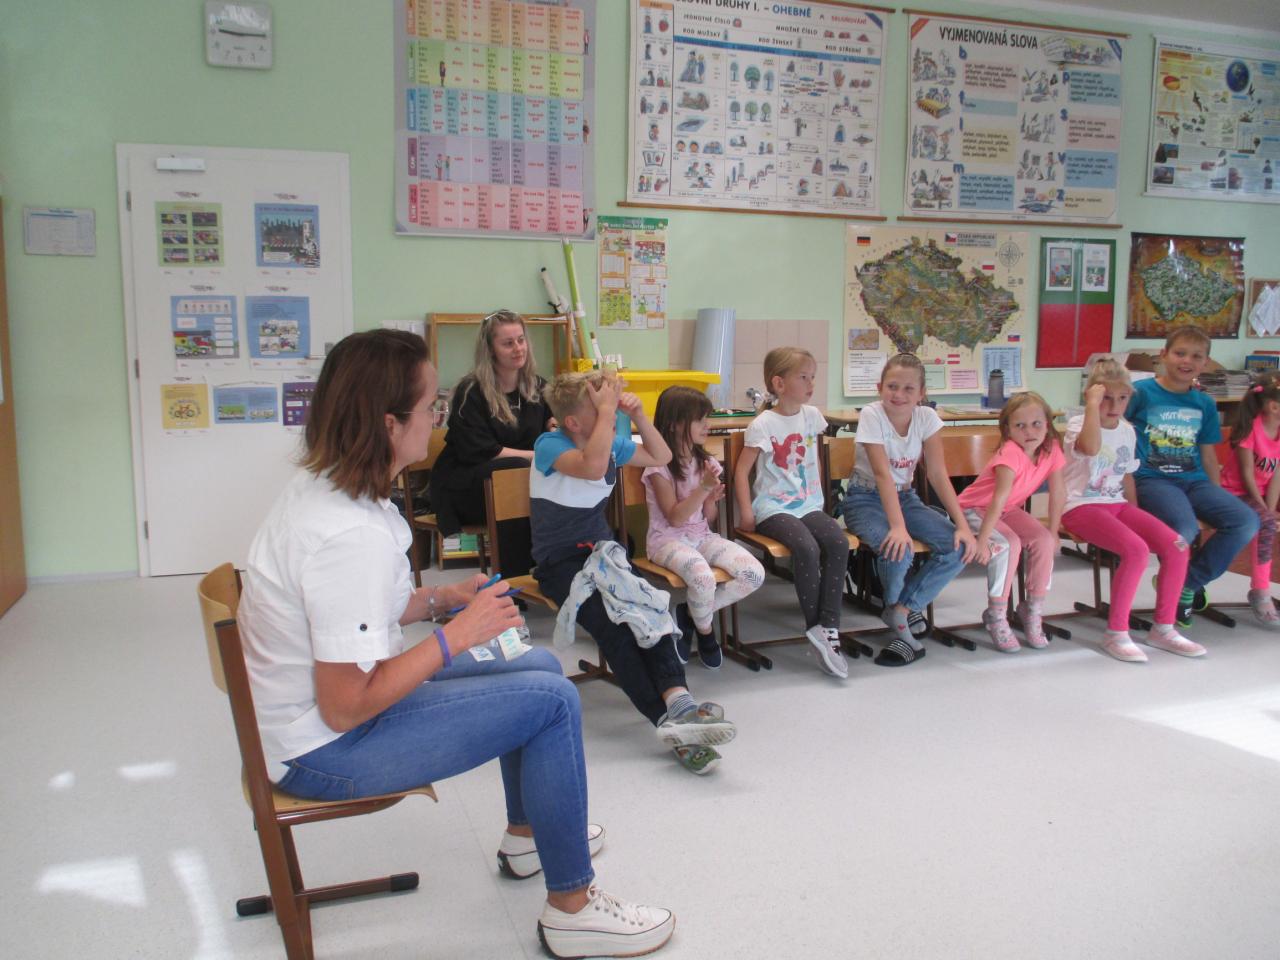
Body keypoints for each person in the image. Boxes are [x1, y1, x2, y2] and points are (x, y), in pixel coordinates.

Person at [236, 330, 673, 958]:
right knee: (552, 704)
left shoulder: (332, 492)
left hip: (311, 718)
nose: (437, 418)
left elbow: (362, 614)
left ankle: (528, 836)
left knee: (539, 663)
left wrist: (444, 599)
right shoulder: (345, 536)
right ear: (389, 424)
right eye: (428, 407)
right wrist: (455, 638)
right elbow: (345, 706)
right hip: (322, 748)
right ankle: (572, 910)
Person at [531, 371, 736, 775]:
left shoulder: (609, 443)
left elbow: (660, 456)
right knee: (617, 631)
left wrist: (640, 416)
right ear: (573, 422)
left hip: (605, 556)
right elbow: (592, 468)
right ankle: (669, 724)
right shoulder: (550, 444)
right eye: (599, 410)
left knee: (651, 612)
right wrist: (609, 412)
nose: (609, 416)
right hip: (560, 564)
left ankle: (679, 703)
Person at [839, 354, 976, 666]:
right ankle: (902, 632)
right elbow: (882, 474)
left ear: (921, 393)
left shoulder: (927, 418)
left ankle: (901, 609)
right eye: (892, 386)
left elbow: (937, 474)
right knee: (898, 548)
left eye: (908, 389)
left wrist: (962, 526)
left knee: (957, 547)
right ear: (879, 387)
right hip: (864, 499)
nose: (898, 394)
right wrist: (898, 527)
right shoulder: (872, 414)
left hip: (906, 498)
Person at [1059, 360, 1197, 661]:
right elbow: (1090, 448)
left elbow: (1127, 476)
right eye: (1106, 398)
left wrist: (1134, 515)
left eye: (1122, 398)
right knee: (1136, 550)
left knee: (1177, 545)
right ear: (1092, 396)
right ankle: (1116, 633)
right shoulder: (1078, 425)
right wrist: (1091, 407)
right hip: (1080, 506)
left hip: (1117, 504)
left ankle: (1163, 628)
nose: (1114, 406)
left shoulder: (1127, 430)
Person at [1126, 325, 1259, 627]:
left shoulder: (1204, 403)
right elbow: (1116, 432)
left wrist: (1216, 494)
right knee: (1184, 528)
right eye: (1180, 353)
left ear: (1205, 363)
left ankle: (1187, 582)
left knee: (1245, 521)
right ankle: (1176, 589)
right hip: (1152, 480)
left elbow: (1208, 454)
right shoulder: (1141, 392)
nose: (1187, 361)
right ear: (1163, 355)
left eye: (1196, 356)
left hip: (1195, 481)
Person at [733, 347, 851, 678]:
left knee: (838, 542)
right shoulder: (763, 424)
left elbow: (816, 460)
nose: (811, 383)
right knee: (806, 547)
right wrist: (746, 512)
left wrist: (819, 499)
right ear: (779, 383)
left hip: (808, 504)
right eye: (803, 377)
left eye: (813, 377)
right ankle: (816, 627)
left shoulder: (813, 416)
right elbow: (741, 472)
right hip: (773, 508)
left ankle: (829, 626)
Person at [644, 386, 765, 668]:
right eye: (699, 420)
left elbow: (707, 517)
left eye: (706, 418)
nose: (706, 425)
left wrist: (710, 499)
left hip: (701, 536)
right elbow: (675, 518)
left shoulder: (706, 462)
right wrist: (704, 489)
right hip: (665, 542)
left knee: (753, 574)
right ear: (674, 424)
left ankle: (689, 613)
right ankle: (707, 632)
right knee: (703, 579)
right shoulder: (658, 466)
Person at [956, 392, 1065, 652]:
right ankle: (996, 614)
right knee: (1008, 544)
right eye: (1020, 426)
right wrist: (982, 540)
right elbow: (998, 498)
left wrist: (1054, 531)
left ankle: (1032, 609)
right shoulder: (1010, 454)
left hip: (1007, 509)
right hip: (975, 509)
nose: (1029, 432)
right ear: (1008, 430)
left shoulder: (1051, 448)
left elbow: (1059, 491)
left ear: (1047, 424)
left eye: (1036, 424)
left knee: (1043, 541)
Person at [429, 310, 552, 537]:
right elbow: (483, 452)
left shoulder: (537, 387)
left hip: (517, 481)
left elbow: (551, 426)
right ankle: (517, 560)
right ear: (490, 350)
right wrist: (540, 456)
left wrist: (557, 430)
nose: (518, 348)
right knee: (517, 473)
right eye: (508, 343)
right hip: (465, 486)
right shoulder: (471, 392)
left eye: (521, 340)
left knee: (554, 474)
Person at [1220, 371, 1280, 629]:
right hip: (1235, 492)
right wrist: (1265, 511)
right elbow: (1247, 475)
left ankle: (1262, 587)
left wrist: (1270, 508)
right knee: (1266, 523)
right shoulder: (1251, 429)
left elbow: (1276, 475)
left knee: (1268, 521)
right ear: (1273, 406)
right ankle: (1260, 590)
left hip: (1262, 496)